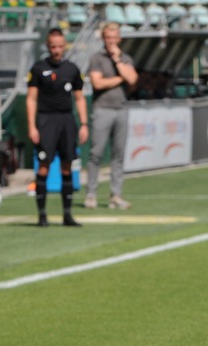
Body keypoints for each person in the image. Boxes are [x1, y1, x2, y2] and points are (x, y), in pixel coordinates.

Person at [26, 28, 89, 227]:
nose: (56, 50)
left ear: (65, 46)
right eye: (53, 46)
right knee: (44, 165)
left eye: (60, 46)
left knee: (67, 165)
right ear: (48, 46)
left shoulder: (72, 69)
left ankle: (67, 215)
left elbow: (79, 98)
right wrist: (32, 126)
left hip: (66, 121)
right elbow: (31, 98)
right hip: (46, 121)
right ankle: (42, 215)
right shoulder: (38, 68)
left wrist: (84, 123)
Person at [84, 22, 138, 210]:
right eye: (108, 38)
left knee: (119, 155)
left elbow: (132, 79)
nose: (111, 42)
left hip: (121, 108)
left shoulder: (126, 58)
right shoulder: (96, 58)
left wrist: (117, 61)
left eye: (114, 38)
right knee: (96, 154)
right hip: (102, 109)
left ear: (119, 38)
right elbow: (97, 83)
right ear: (103, 38)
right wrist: (120, 77)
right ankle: (91, 194)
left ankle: (116, 195)